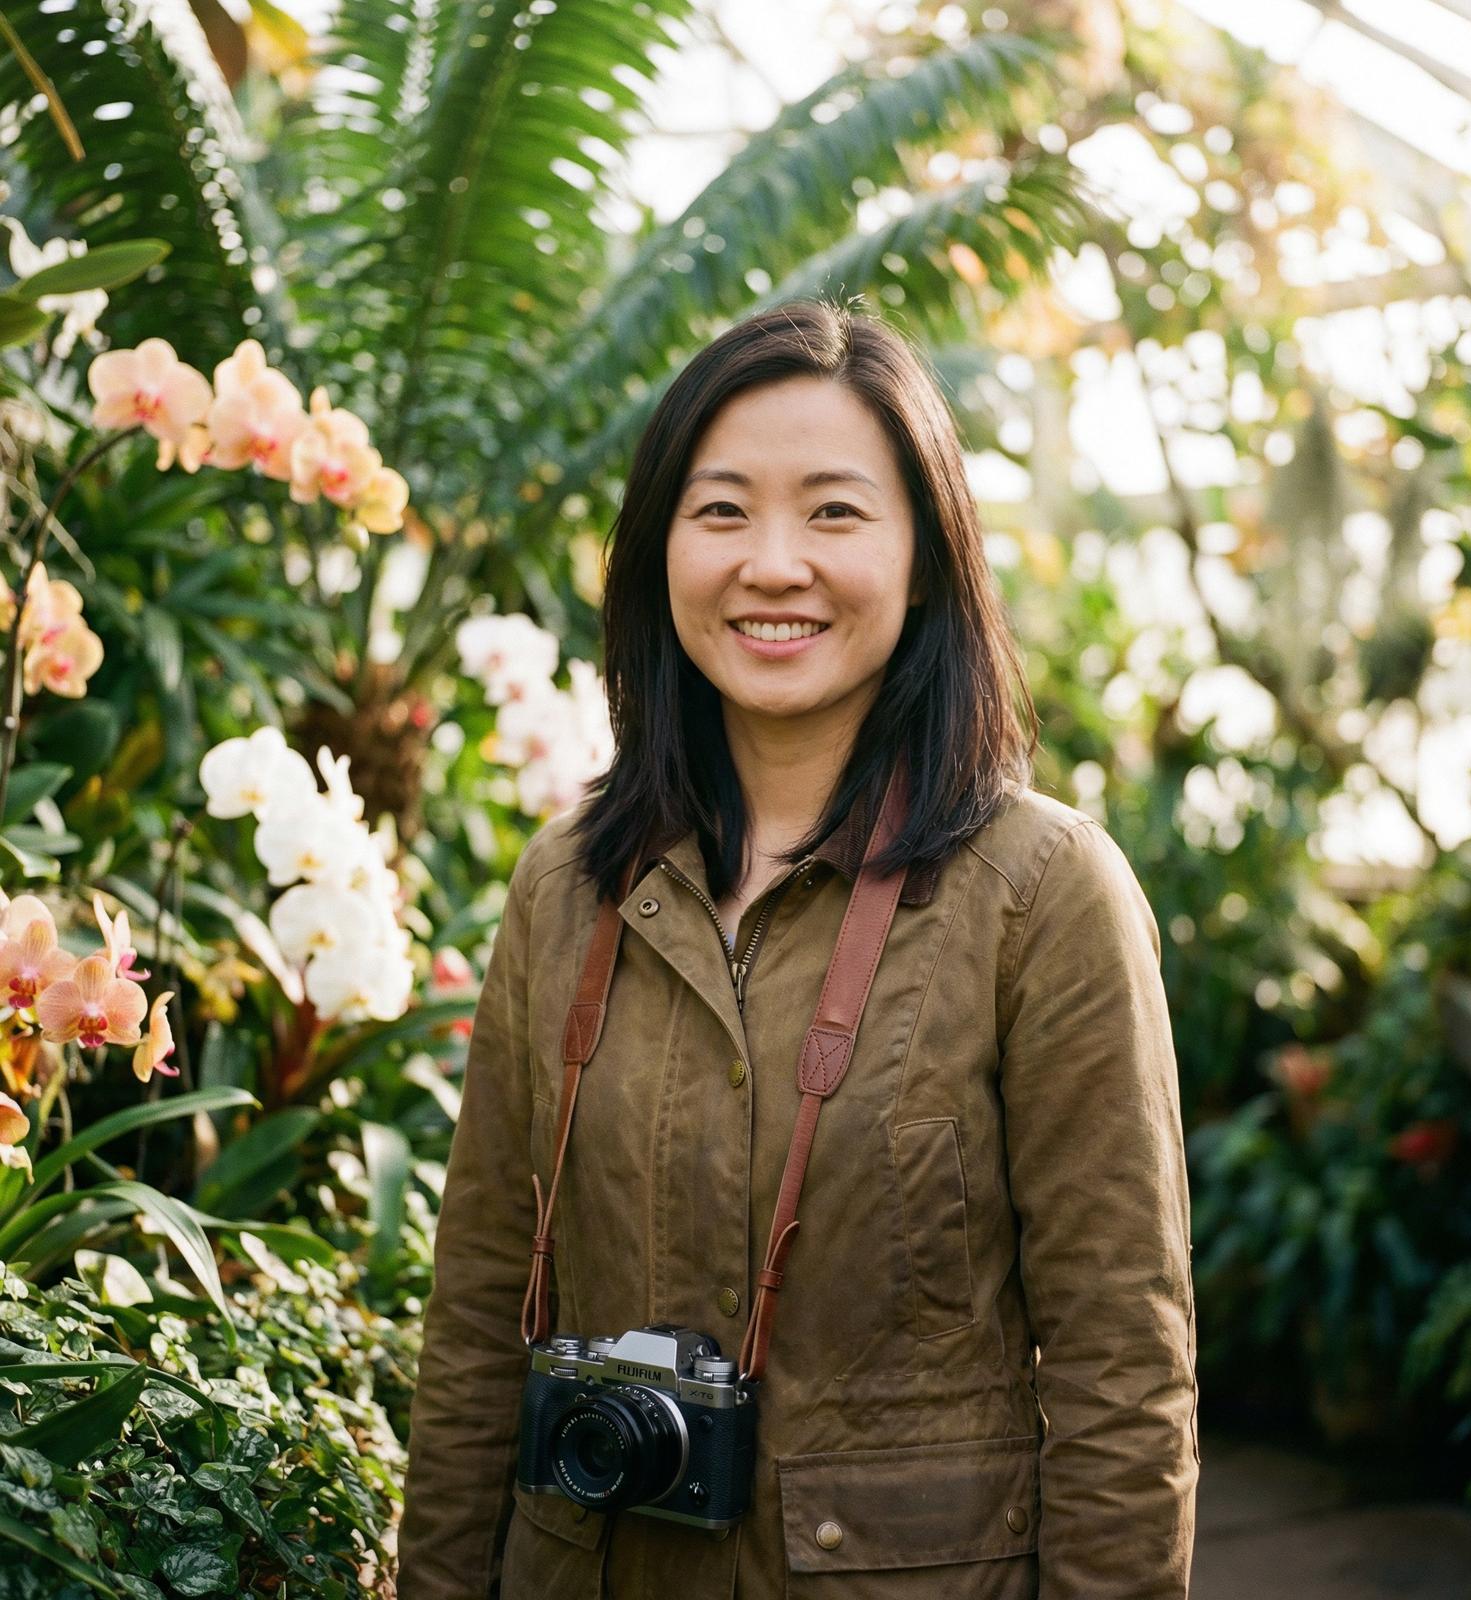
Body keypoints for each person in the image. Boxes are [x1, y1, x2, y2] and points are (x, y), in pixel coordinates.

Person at [397, 299, 1199, 1599]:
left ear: (928, 556)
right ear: (660, 548)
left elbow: (1124, 1372)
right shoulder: (567, 889)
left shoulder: (1040, 898)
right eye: (721, 511)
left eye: (834, 512)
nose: (773, 564)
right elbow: (483, 1317)